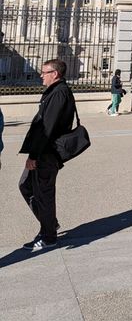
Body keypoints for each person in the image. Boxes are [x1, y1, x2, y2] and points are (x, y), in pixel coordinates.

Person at [19, 59, 76, 251]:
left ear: (55, 74)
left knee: (43, 193)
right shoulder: (55, 92)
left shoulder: (59, 93)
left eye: (44, 72)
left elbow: (47, 128)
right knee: (26, 186)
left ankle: (49, 235)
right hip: (44, 152)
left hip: (46, 153)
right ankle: (49, 224)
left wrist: (33, 156)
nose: (41, 75)